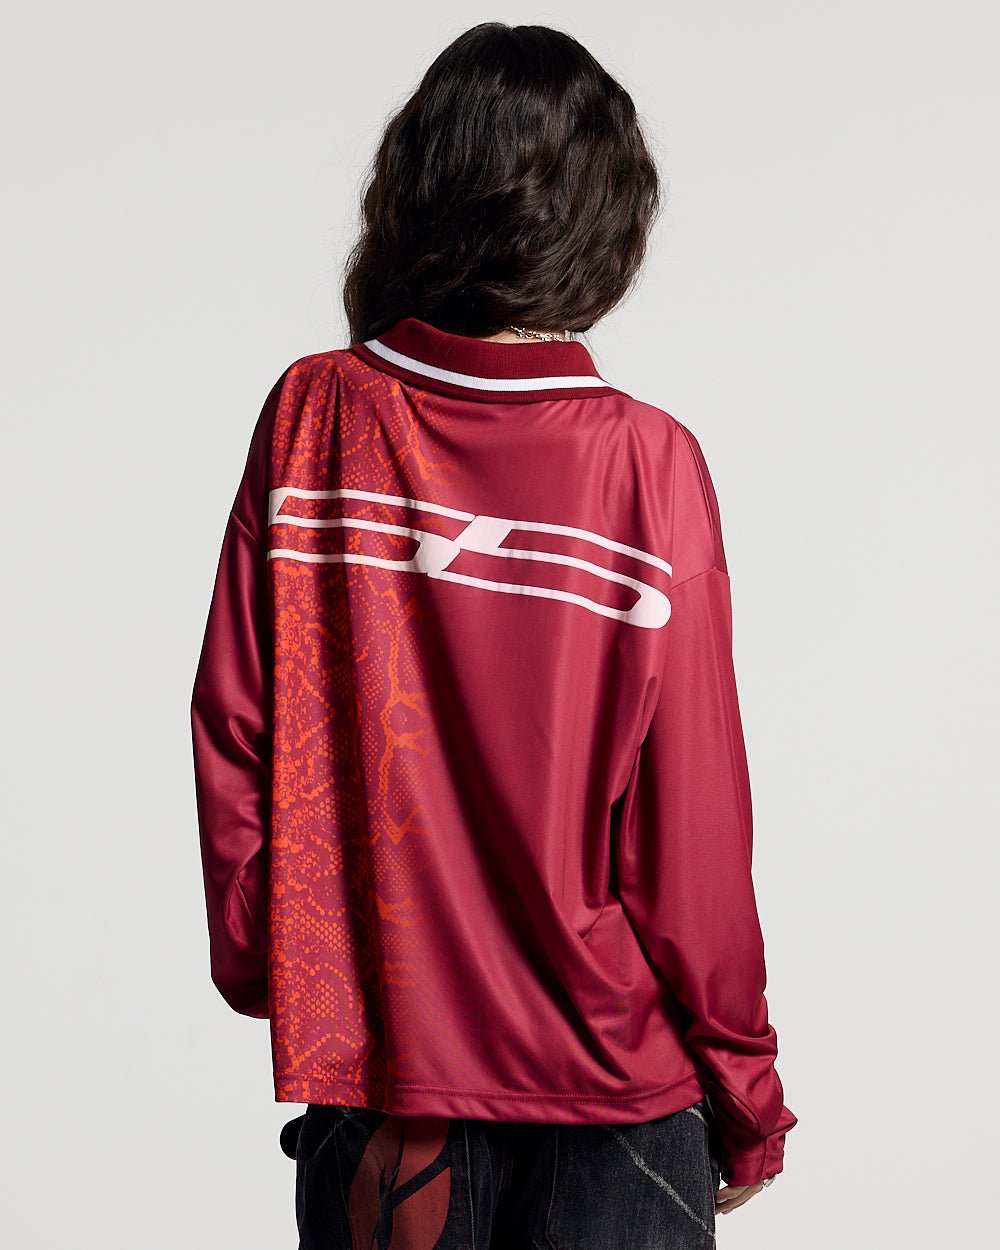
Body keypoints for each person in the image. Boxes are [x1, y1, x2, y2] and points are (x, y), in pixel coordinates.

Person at [190, 20, 797, 1249]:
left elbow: (236, 726)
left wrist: (284, 956)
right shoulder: (646, 462)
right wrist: (747, 1087)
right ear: (604, 216)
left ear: (416, 187)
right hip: (615, 1103)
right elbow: (690, 822)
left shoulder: (314, 414)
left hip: (385, 1079)